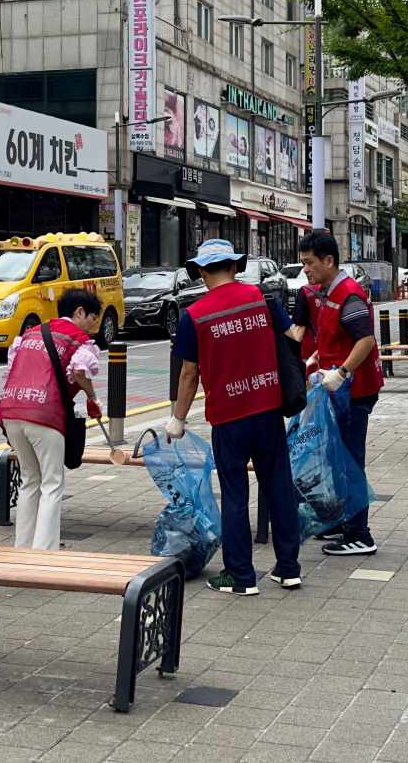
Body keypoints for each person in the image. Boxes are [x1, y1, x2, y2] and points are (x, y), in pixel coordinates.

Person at [163, 238, 303, 594]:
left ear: (200, 271)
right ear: (236, 267)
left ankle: (241, 577)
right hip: (269, 409)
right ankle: (288, 569)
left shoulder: (194, 315)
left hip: (228, 417)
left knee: (236, 495)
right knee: (279, 488)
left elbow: (189, 374)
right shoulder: (264, 299)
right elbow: (292, 339)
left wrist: (177, 420)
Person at [289, 228, 382, 557]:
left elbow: (365, 340)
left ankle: (360, 535)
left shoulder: (348, 294)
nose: (306, 269)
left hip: (353, 394)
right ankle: (346, 522)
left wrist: (342, 372)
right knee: (337, 459)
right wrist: (319, 358)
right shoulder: (329, 291)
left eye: (310, 262)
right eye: (303, 263)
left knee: (349, 463)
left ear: (329, 260)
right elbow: (334, 336)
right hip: (338, 391)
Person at [0, 289, 104, 550]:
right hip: (45, 414)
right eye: (91, 319)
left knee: (30, 480)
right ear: (79, 312)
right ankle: (45, 553)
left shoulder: (32, 333)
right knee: (52, 483)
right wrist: (93, 397)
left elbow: (13, 370)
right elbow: (79, 371)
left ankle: (23, 548)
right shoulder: (76, 339)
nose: (91, 326)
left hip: (11, 410)